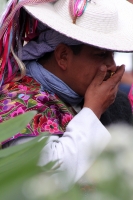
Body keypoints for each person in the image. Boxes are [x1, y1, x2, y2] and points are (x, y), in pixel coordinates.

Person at [0, 0, 133, 188]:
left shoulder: (114, 104)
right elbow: (47, 179)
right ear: (63, 56)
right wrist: (92, 111)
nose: (112, 66)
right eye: (101, 54)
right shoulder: (18, 102)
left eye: (112, 55)